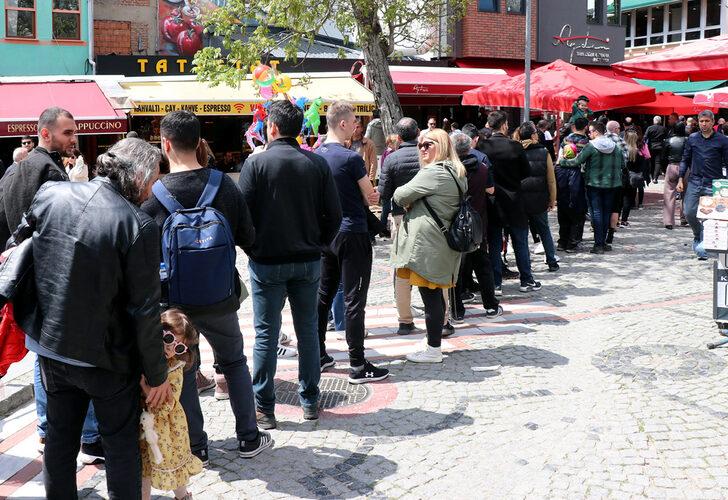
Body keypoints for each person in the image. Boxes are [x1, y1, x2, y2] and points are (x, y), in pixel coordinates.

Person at [12, 138, 172, 498]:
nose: (151, 192)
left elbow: (21, 243)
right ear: (138, 177)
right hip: (105, 359)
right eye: (152, 182)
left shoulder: (52, 194)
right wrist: (157, 373)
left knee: (60, 438)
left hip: (52, 345)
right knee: (119, 445)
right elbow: (144, 310)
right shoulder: (138, 225)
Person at [142, 110, 271, 463]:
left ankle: (196, 446)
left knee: (182, 370)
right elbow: (248, 236)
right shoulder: (223, 184)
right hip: (220, 297)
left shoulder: (155, 196)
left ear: (164, 144)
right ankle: (248, 437)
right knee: (234, 362)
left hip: (174, 305)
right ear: (200, 143)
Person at [239, 100, 342, 427]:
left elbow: (242, 216)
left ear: (271, 127)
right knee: (308, 331)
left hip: (267, 261)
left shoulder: (256, 165)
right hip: (307, 259)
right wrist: (319, 243)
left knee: (266, 334)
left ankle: (265, 408)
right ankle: (310, 400)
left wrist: (253, 247)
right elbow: (335, 216)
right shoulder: (316, 164)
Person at [316, 101, 389, 384]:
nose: (357, 127)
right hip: (353, 232)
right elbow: (371, 195)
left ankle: (319, 354)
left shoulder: (316, 155)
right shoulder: (350, 158)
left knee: (323, 297)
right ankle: (358, 365)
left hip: (327, 235)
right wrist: (373, 196)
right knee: (354, 299)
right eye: (354, 123)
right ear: (343, 124)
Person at [392, 128, 467, 363]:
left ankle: (433, 349)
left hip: (430, 245)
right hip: (440, 243)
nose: (422, 148)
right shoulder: (455, 171)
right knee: (433, 295)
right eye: (420, 144)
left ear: (443, 146)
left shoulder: (434, 172)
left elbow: (399, 195)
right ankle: (431, 340)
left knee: (430, 296)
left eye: (428, 144)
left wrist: (411, 200)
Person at [141, 309, 203, 500]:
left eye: (178, 348)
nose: (170, 349)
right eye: (168, 339)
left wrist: (144, 386)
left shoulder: (175, 368)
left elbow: (166, 405)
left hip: (169, 431)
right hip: (143, 429)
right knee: (144, 471)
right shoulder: (143, 356)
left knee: (175, 470)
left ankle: (184, 497)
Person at [479, 111, 541, 293]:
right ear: (505, 125)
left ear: (489, 125)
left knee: (495, 243)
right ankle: (526, 280)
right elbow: (526, 172)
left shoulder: (483, 146)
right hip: (514, 198)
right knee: (520, 242)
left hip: (492, 200)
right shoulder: (515, 146)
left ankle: (496, 282)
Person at [379, 117, 426, 336]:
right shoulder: (426, 156)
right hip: (428, 218)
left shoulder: (391, 159)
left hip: (401, 218)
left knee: (402, 267)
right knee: (432, 265)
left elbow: (384, 194)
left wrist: (383, 220)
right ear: (418, 133)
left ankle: (405, 321)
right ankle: (442, 319)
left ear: (398, 137)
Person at [450, 132, 502, 319]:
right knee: (483, 265)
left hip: (454, 224)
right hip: (477, 222)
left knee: (454, 268)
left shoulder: (450, 170)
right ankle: (490, 306)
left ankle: (457, 310)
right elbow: (491, 190)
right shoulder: (482, 168)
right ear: (470, 147)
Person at [559, 121, 625, 254]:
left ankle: (598, 244)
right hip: (612, 185)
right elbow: (623, 164)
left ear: (595, 132)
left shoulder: (591, 146)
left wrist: (562, 161)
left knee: (596, 212)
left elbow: (577, 161)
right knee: (606, 212)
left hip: (594, 184)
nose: (589, 134)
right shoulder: (616, 147)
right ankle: (604, 242)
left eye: (590, 132)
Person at [677, 110, 728, 260]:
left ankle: (703, 246)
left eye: (706, 121)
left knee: (709, 216)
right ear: (697, 122)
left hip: (714, 183)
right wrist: (680, 178)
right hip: (695, 181)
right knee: (689, 211)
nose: (704, 124)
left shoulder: (722, 140)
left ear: (713, 122)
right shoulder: (692, 139)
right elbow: (685, 159)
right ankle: (697, 233)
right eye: (701, 121)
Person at [517, 122, 559, 272]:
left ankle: (525, 265)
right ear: (533, 135)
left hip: (519, 199)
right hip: (539, 199)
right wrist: (552, 200)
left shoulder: (515, 150)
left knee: (521, 234)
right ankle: (551, 261)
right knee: (544, 230)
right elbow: (551, 179)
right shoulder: (543, 152)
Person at [554, 118, 589, 253]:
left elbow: (560, 157)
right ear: (585, 127)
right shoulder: (586, 142)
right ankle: (572, 241)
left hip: (562, 172)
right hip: (578, 174)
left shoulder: (566, 140)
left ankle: (562, 240)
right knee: (577, 208)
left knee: (563, 206)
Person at [620, 130, 648, 227]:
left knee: (619, 199)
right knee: (628, 199)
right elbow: (642, 167)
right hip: (633, 179)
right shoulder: (637, 153)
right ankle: (624, 220)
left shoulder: (621, 151)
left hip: (621, 177)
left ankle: (615, 220)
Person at [663, 122, 687, 230]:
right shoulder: (688, 140)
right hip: (685, 167)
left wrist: (665, 169)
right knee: (685, 194)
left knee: (669, 193)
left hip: (672, 165)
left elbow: (663, 156)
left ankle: (668, 221)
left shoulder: (668, 141)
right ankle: (684, 218)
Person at [378, 134, 400, 234]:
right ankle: (382, 228)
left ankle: (383, 228)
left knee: (386, 207)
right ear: (390, 143)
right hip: (389, 183)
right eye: (395, 142)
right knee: (386, 207)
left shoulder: (387, 153)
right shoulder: (389, 153)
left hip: (387, 183)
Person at [349, 118, 378, 184]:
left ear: (362, 128)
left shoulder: (369, 143)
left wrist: (371, 179)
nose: (355, 129)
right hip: (349, 177)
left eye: (357, 127)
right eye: (353, 127)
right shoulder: (346, 142)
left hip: (363, 177)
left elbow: (373, 162)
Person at [645, 116, 667, 183]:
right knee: (658, 162)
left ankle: (652, 176)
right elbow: (666, 137)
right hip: (660, 146)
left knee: (651, 162)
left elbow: (645, 137)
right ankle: (655, 178)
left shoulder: (650, 128)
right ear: (660, 121)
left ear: (654, 121)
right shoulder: (663, 128)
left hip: (651, 146)